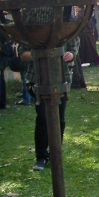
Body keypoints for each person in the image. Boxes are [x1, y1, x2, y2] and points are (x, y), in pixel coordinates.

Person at [19, 37, 79, 171]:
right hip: (38, 78)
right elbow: (23, 52)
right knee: (43, 118)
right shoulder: (34, 29)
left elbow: (73, 50)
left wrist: (70, 55)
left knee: (60, 118)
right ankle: (41, 156)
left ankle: (55, 154)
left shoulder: (67, 27)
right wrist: (44, 55)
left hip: (61, 78)